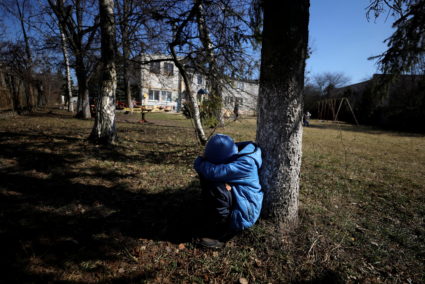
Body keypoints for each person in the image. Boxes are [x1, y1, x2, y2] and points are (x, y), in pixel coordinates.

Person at [193, 134, 262, 248]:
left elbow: (214, 172)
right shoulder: (236, 152)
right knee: (211, 182)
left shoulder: (245, 164)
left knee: (216, 188)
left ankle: (221, 234)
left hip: (244, 213)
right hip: (239, 198)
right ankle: (214, 217)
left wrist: (199, 161)